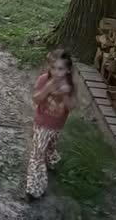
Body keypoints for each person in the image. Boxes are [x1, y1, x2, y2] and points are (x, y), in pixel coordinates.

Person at [26, 48, 77, 200]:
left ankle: (51, 160)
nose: (55, 72)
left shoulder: (70, 85)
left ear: (68, 70)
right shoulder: (44, 79)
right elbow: (35, 99)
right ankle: (34, 188)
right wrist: (47, 89)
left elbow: (72, 106)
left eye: (60, 69)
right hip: (42, 123)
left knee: (50, 147)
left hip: (57, 126)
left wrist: (66, 94)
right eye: (53, 67)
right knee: (37, 154)